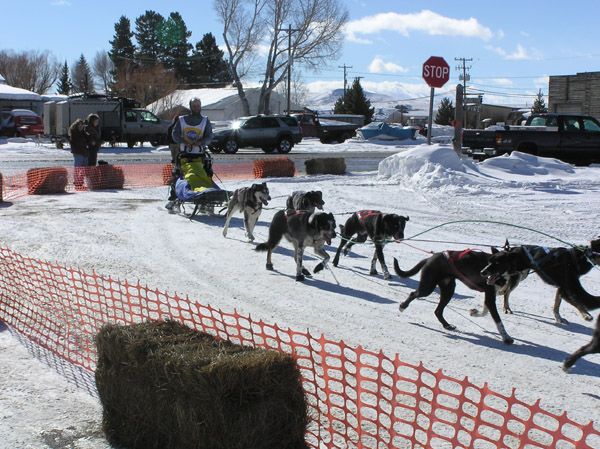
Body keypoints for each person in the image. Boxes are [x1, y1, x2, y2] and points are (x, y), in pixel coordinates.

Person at [165, 98, 214, 210]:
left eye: (198, 105)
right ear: (190, 107)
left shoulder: (205, 121)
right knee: (178, 175)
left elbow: (209, 136)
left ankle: (206, 198)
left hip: (200, 155)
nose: (197, 108)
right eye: (194, 106)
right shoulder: (182, 120)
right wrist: (184, 141)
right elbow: (175, 135)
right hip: (184, 155)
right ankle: (173, 199)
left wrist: (200, 142)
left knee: (205, 175)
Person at [69, 118, 88, 189]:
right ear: (76, 126)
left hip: (85, 153)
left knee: (83, 169)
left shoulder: (84, 133)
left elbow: (87, 140)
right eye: (79, 125)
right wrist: (84, 143)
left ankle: (81, 182)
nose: (81, 127)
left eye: (82, 125)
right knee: (77, 168)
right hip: (78, 153)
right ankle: (77, 182)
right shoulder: (74, 133)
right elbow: (76, 143)